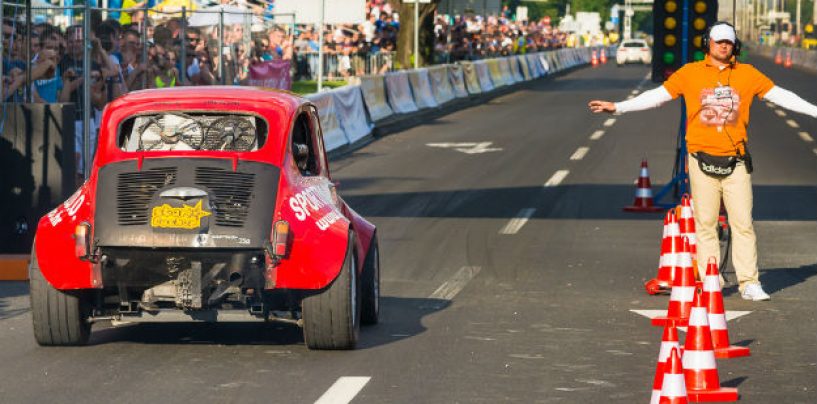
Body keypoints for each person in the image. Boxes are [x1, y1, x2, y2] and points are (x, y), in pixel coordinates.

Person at [588, 22, 817, 301]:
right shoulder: (690, 73)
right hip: (700, 159)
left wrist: (815, 111)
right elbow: (658, 97)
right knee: (705, 224)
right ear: (707, 43)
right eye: (719, 41)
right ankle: (712, 280)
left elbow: (782, 96)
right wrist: (618, 107)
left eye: (728, 42)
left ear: (735, 46)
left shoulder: (748, 74)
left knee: (743, 224)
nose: (724, 46)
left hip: (736, 161)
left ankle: (749, 282)